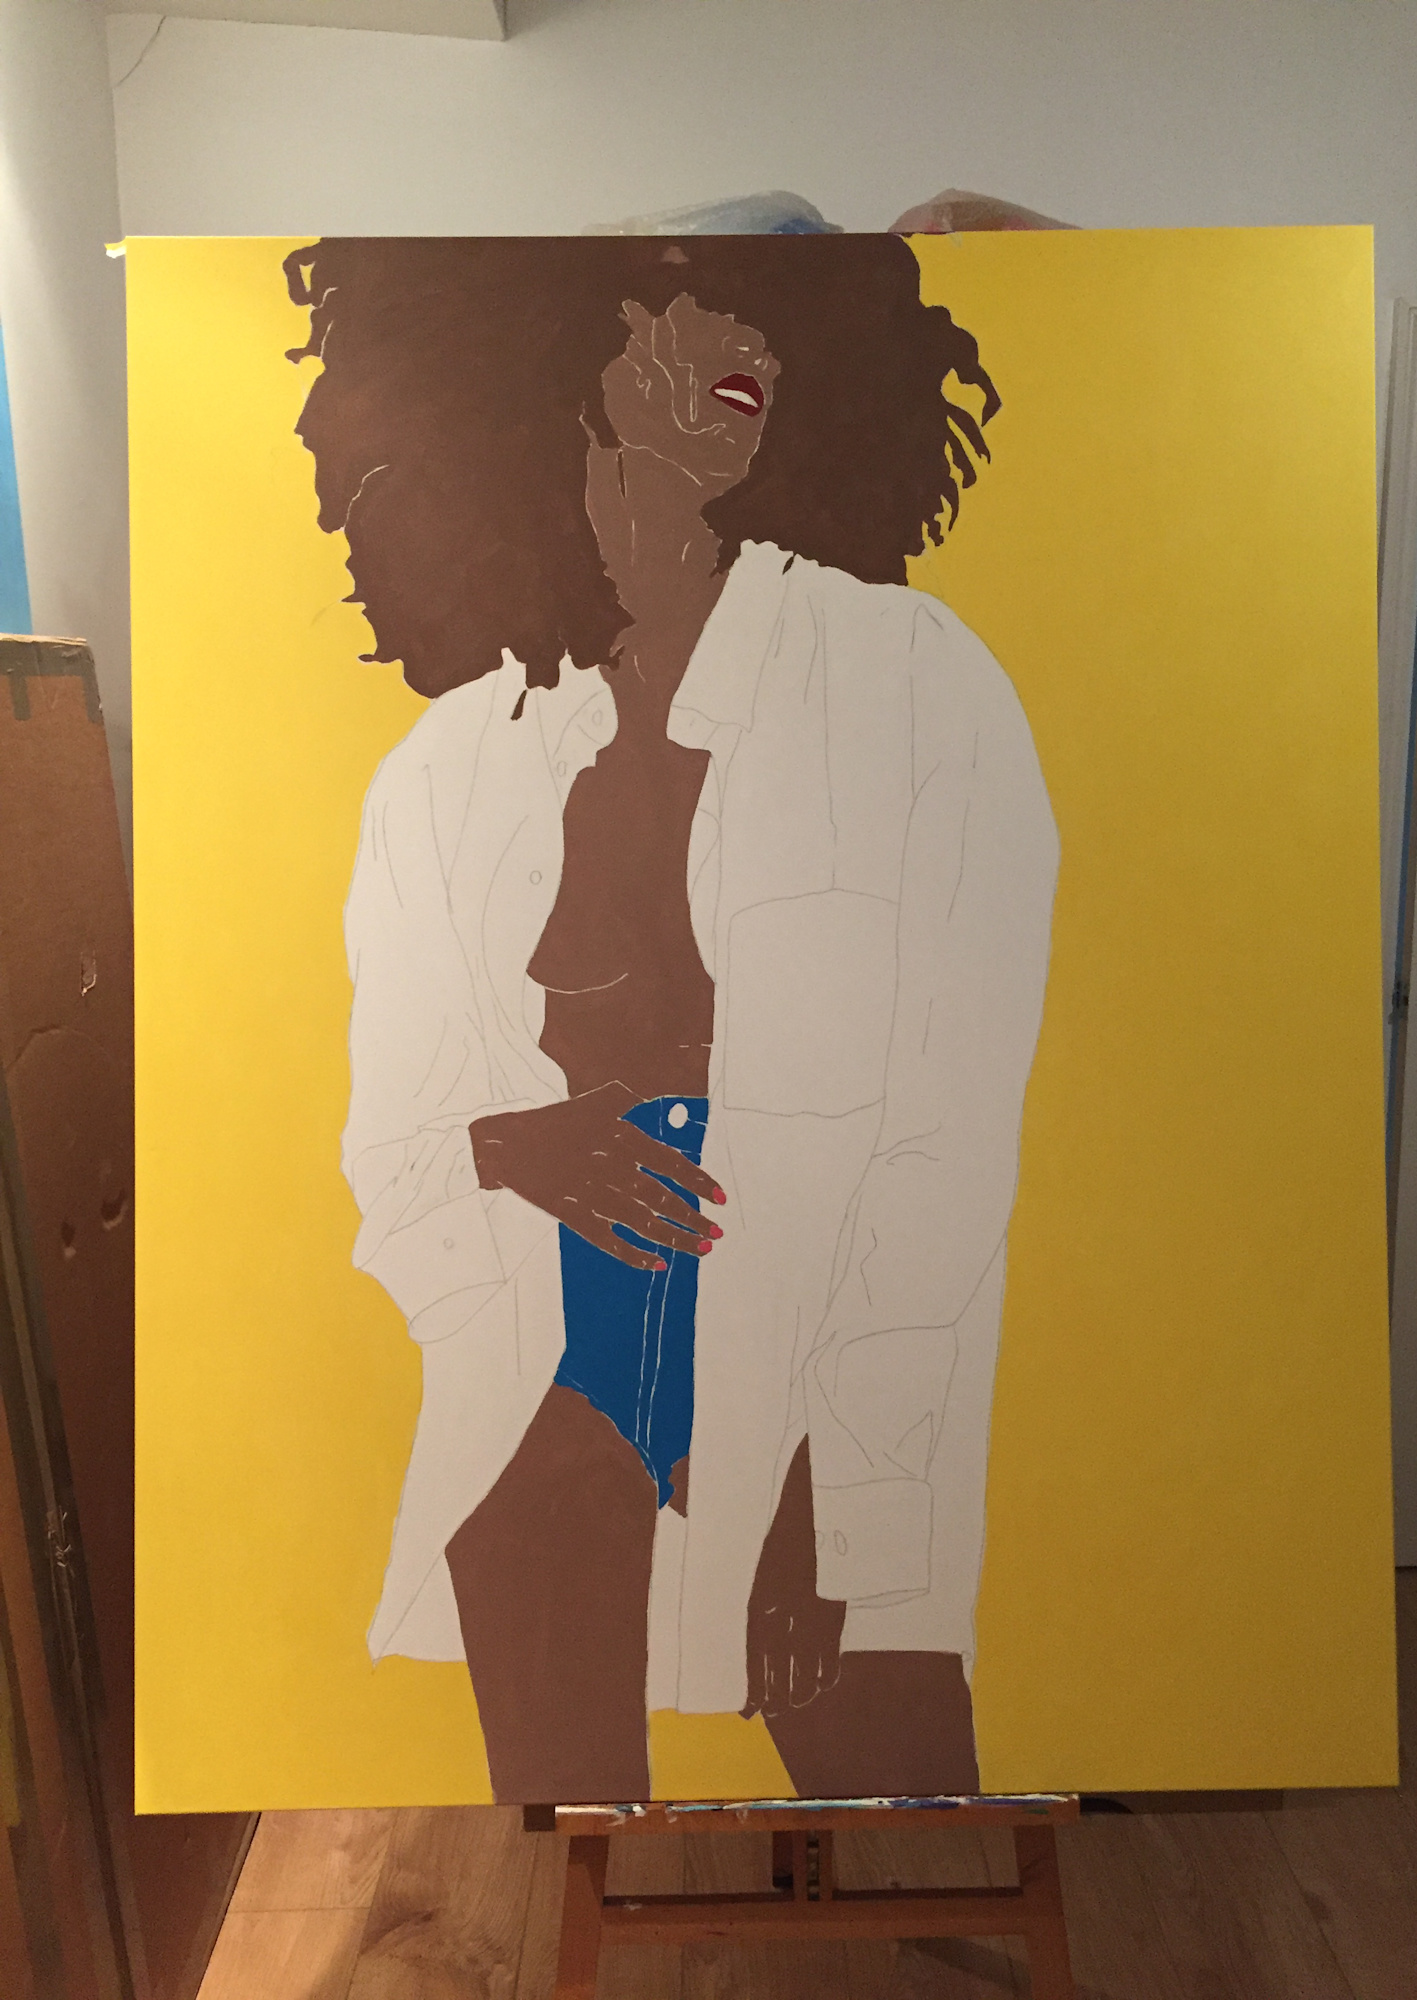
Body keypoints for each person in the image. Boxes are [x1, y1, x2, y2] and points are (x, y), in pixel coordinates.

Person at [284, 234, 1059, 1804]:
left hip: (823, 1389)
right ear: (545, 361)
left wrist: (836, 1489)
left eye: (761, 306)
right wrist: (515, 1150)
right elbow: (390, 1151)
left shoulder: (915, 689)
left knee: (893, 1772)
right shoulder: (450, 768)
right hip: (550, 1401)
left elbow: (949, 1144)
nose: (726, 334)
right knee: (568, 1798)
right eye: (657, 299)